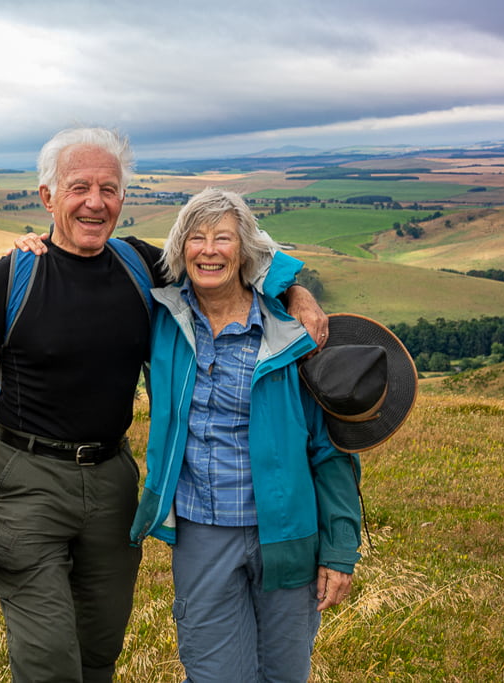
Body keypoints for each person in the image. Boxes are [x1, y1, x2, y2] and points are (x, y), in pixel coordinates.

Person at [0, 127, 328, 682]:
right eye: (79, 188)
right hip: (28, 480)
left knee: (100, 648)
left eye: (110, 188)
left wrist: (298, 293)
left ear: (123, 198)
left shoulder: (139, 266)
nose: (95, 202)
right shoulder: (10, 275)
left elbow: (235, 259)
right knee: (50, 658)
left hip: (112, 482)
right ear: (48, 197)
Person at [129, 188, 363, 683]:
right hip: (201, 533)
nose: (208, 250)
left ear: (246, 253)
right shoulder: (164, 319)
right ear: (180, 249)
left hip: (287, 533)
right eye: (196, 238)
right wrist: (32, 245)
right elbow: (91, 254)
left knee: (283, 674)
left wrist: (340, 549)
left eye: (223, 238)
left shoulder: (288, 333)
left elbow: (329, 449)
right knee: (213, 674)